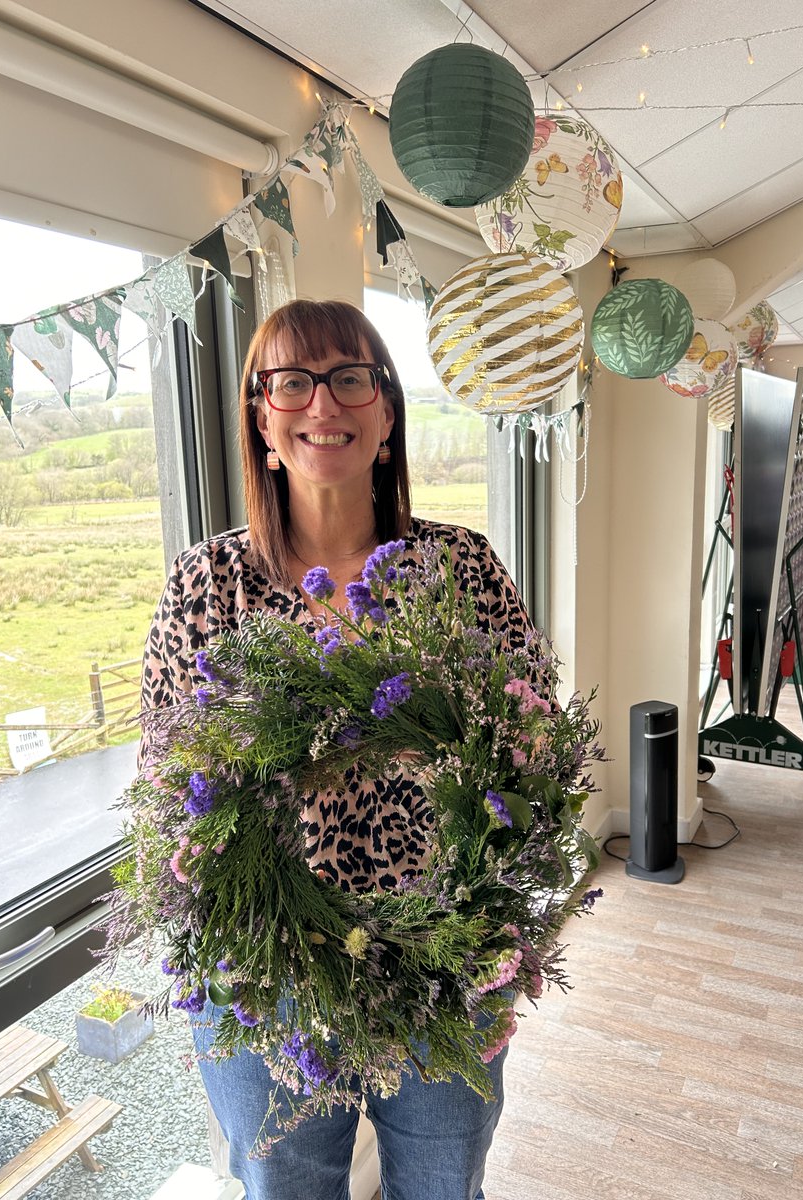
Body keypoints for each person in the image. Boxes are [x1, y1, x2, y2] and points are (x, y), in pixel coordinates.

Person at [139, 298, 537, 1200]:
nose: (325, 404)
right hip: (264, 969)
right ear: (261, 419)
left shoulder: (460, 570)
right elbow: (168, 790)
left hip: (441, 963)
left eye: (351, 378)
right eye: (293, 382)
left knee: (445, 1186)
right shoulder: (206, 584)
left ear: (387, 414)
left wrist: (505, 944)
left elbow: (529, 762)